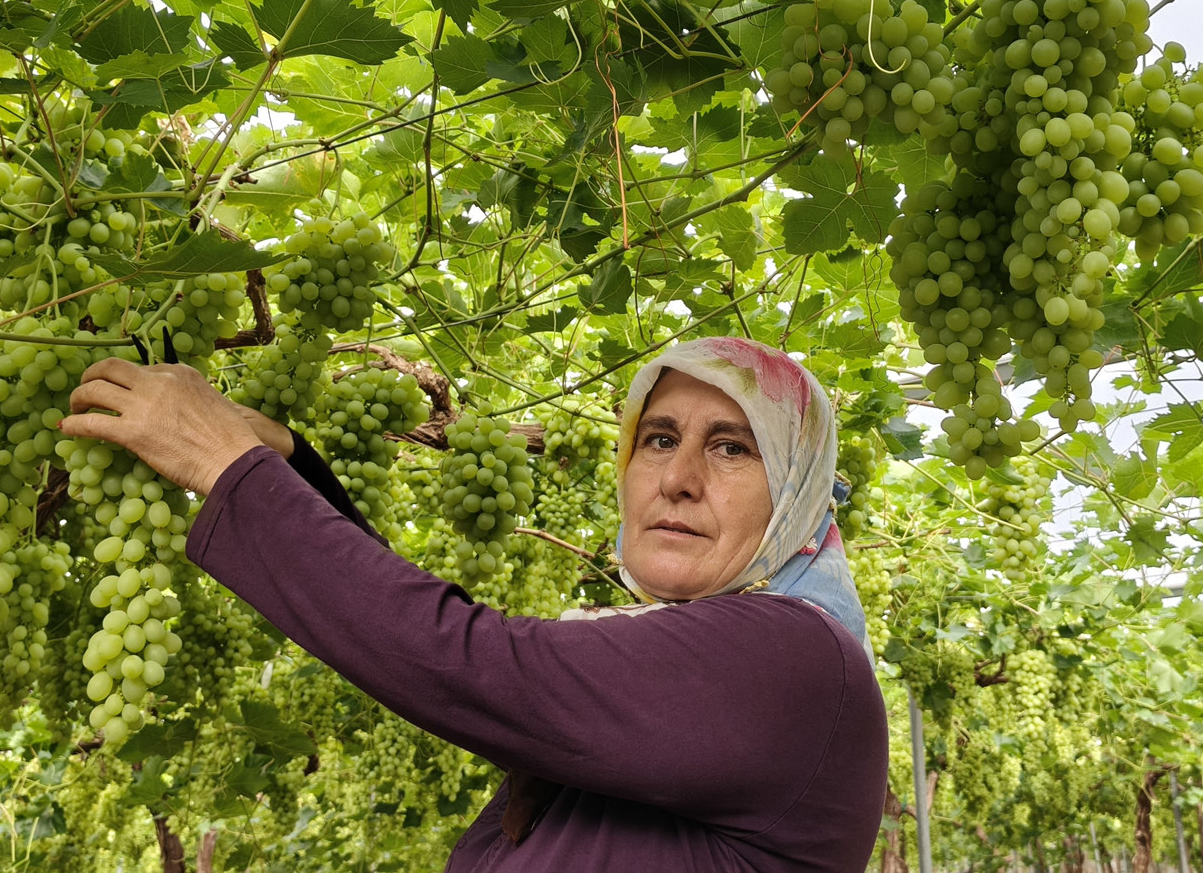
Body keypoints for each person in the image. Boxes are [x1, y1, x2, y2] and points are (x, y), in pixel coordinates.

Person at [59, 336, 890, 872]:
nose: (677, 477)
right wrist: (292, 468)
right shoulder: (682, 668)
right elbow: (434, 654)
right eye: (660, 438)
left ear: (798, 494)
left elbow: (473, 664)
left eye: (733, 447)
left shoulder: (794, 660)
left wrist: (227, 465)